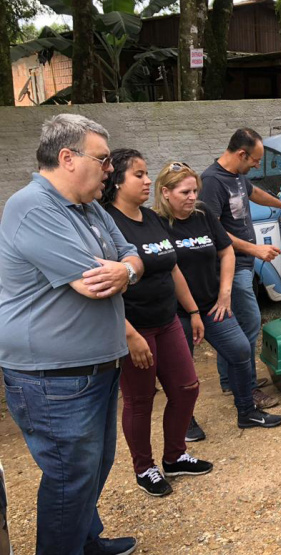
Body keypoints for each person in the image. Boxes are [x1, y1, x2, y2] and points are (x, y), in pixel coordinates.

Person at [0, 114, 144, 555]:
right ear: (67, 158)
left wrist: (127, 269)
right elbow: (93, 283)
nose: (108, 169)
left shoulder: (90, 206)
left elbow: (132, 255)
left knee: (95, 466)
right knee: (70, 477)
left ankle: (87, 542)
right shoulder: (32, 208)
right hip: (52, 377)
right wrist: (123, 270)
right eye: (101, 159)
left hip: (92, 368)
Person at [101, 149, 214, 497]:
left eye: (147, 174)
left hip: (168, 321)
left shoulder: (151, 218)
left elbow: (173, 267)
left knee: (187, 387)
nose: (148, 180)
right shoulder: (107, 224)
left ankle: (175, 455)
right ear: (118, 181)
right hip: (134, 328)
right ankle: (144, 467)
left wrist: (193, 311)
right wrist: (130, 335)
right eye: (139, 174)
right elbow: (104, 288)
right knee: (140, 399)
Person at [154, 161, 281, 430]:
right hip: (175, 312)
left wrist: (224, 295)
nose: (192, 197)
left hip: (212, 305)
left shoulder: (202, 215)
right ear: (166, 192)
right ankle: (184, 422)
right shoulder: (154, 223)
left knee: (239, 350)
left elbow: (226, 251)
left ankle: (247, 411)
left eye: (194, 191)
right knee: (182, 370)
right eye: (185, 193)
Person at [197, 128, 281, 425]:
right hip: (233, 266)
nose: (258, 165)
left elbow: (255, 193)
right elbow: (214, 232)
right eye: (255, 159)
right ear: (241, 154)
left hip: (244, 261)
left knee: (232, 326)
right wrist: (255, 250)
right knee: (248, 323)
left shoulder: (236, 178)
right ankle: (244, 387)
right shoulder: (211, 182)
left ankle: (231, 380)